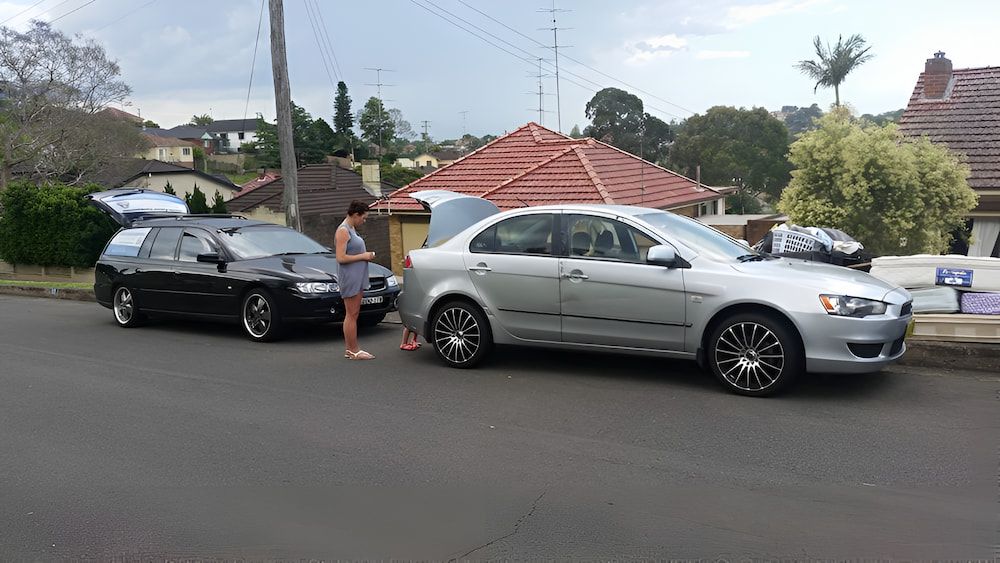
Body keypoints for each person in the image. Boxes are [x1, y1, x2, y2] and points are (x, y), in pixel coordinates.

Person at [336, 200, 376, 360]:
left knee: (354, 313)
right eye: (363, 218)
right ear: (355, 214)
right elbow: (340, 257)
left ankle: (352, 349)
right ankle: (352, 350)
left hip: (357, 276)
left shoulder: (351, 228)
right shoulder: (343, 231)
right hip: (350, 277)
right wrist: (364, 256)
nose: (364, 221)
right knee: (351, 314)